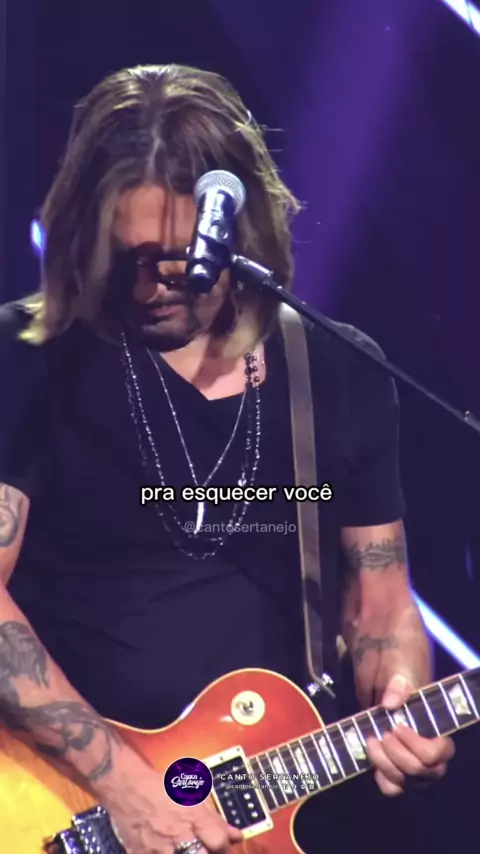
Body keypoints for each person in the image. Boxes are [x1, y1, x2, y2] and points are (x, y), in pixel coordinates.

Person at [0, 64, 454, 854]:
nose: (150, 288)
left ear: (239, 235)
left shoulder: (333, 370)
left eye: (178, 261)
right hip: (71, 809)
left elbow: (380, 603)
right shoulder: (29, 359)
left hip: (278, 809)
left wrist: (404, 701)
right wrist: (127, 790)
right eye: (126, 257)